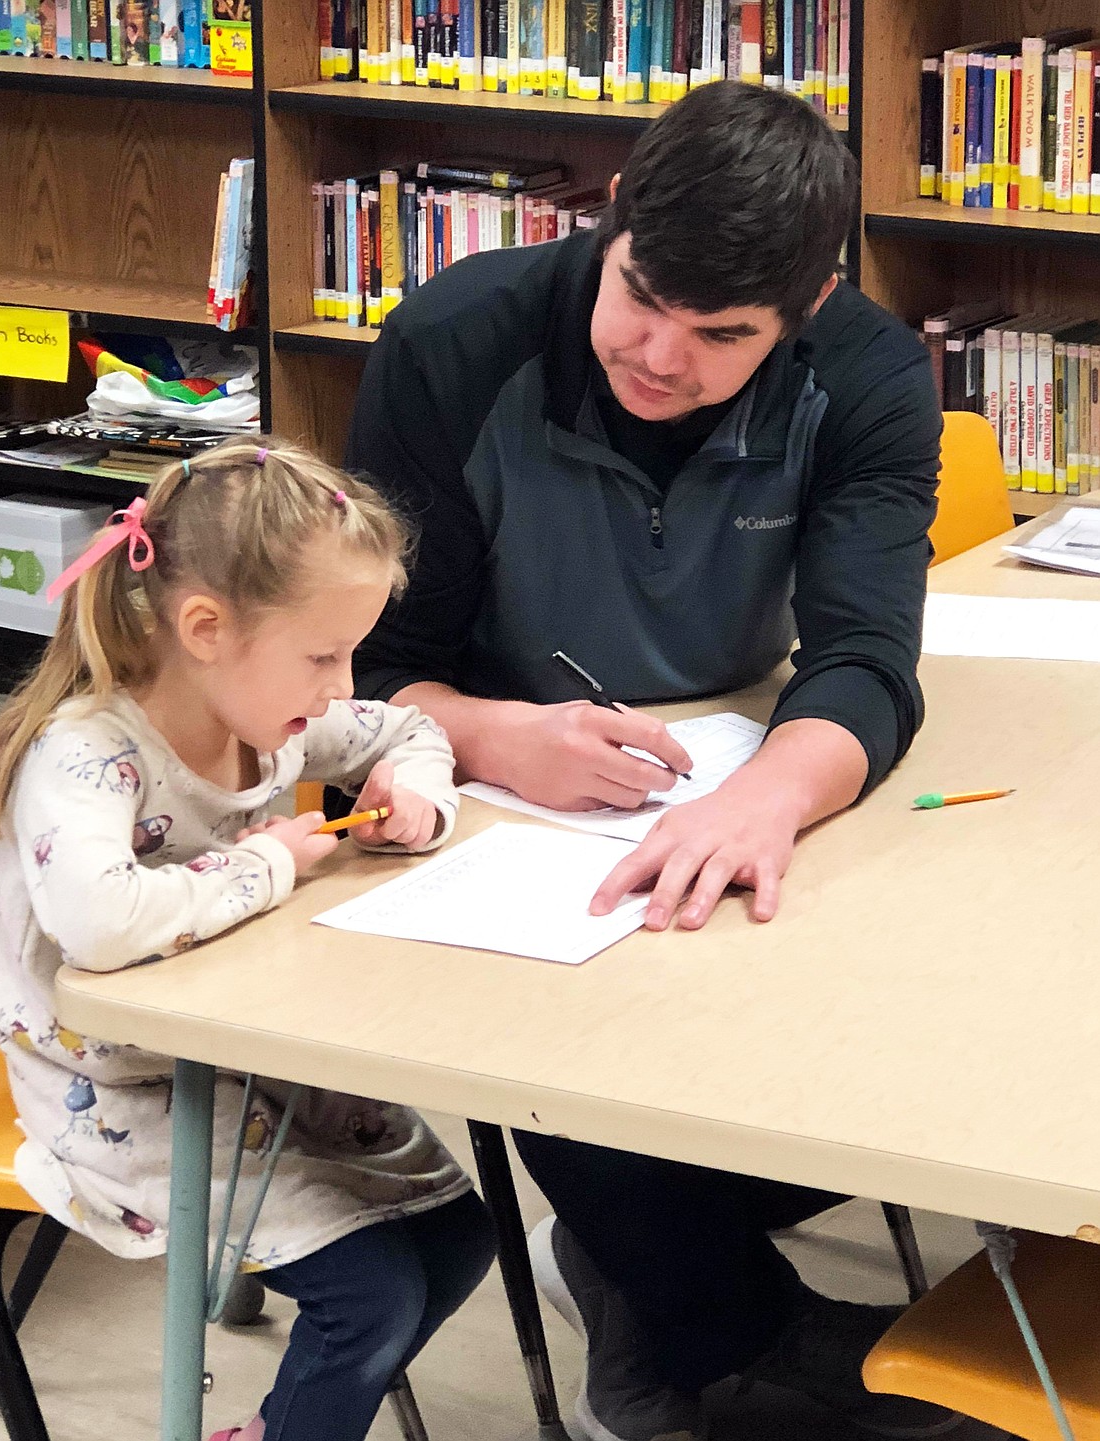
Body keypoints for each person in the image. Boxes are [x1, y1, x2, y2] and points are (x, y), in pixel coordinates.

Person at [345, 82, 946, 1441]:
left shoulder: (863, 375)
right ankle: (729, 1337)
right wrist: (496, 731)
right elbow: (356, 672)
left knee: (871, 1038)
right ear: (609, 220)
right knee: (580, 1025)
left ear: (807, 307)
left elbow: (865, 658)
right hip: (480, 794)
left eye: (720, 333)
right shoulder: (453, 340)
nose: (661, 356)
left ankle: (642, 1279)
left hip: (729, 761)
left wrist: (760, 800)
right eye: (639, 299)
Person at [0, 438, 495, 1441]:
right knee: (372, 1294)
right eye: (322, 656)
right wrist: (269, 865)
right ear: (206, 628)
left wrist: (412, 795)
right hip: (116, 1086)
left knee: (460, 1237)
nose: (341, 681)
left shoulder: (276, 718)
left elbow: (407, 731)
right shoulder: (86, 754)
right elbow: (98, 918)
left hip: (256, 1055)